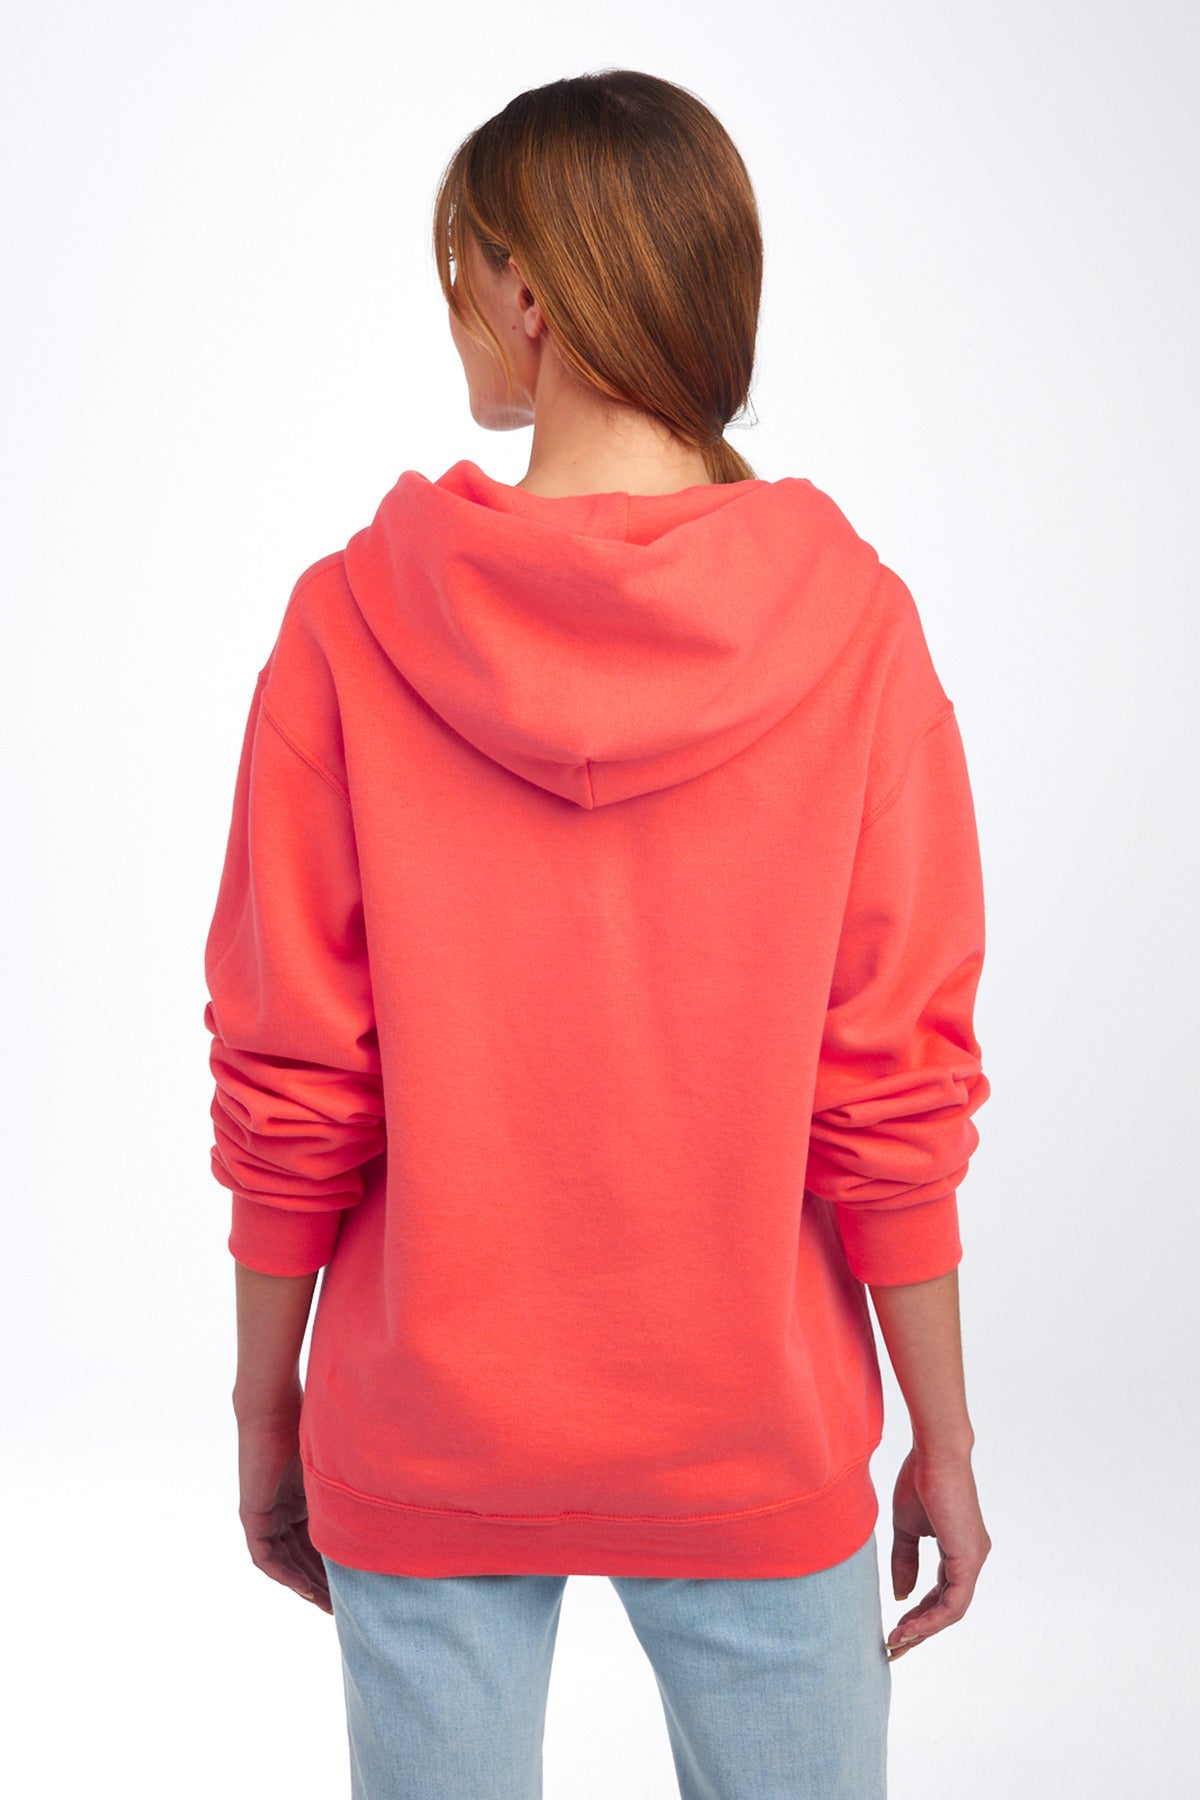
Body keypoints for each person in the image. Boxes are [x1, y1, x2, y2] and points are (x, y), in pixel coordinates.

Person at [204, 68, 992, 1800]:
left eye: (460, 273)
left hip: (424, 1436)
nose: (456, 315)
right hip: (757, 1440)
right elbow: (894, 1090)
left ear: (530, 296)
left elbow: (292, 1085)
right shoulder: (854, 632)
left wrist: (269, 1410)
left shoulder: (348, 628)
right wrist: (941, 1434)